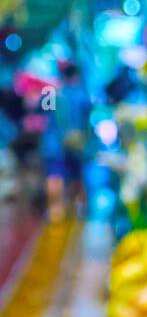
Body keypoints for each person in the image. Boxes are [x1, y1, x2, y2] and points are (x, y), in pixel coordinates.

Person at [42, 61, 91, 220]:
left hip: (54, 142)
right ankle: (78, 207)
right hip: (76, 143)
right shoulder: (81, 94)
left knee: (54, 175)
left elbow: (42, 111)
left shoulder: (52, 93)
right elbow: (88, 116)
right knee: (77, 175)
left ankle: (56, 210)